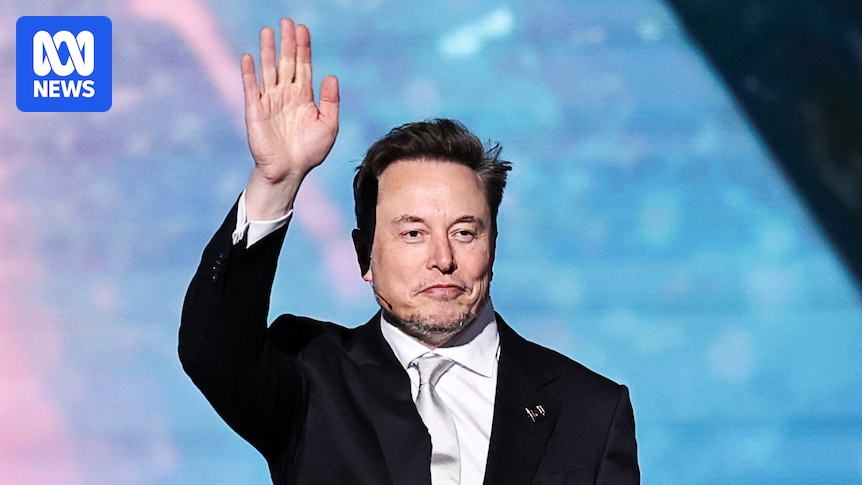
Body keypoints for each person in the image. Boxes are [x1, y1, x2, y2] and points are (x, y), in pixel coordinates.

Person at [180, 17, 639, 485]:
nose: (443, 258)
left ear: (493, 244)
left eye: (464, 232)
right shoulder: (310, 376)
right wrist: (277, 181)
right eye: (413, 233)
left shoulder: (591, 411)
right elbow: (211, 348)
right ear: (364, 255)